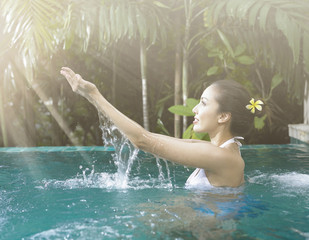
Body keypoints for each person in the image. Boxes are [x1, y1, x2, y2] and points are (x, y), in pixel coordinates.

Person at [60, 67, 263, 188]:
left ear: (223, 116)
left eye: (203, 102)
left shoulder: (221, 157)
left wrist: (95, 94)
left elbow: (142, 141)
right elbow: (148, 138)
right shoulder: (219, 152)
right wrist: (90, 97)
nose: (195, 108)